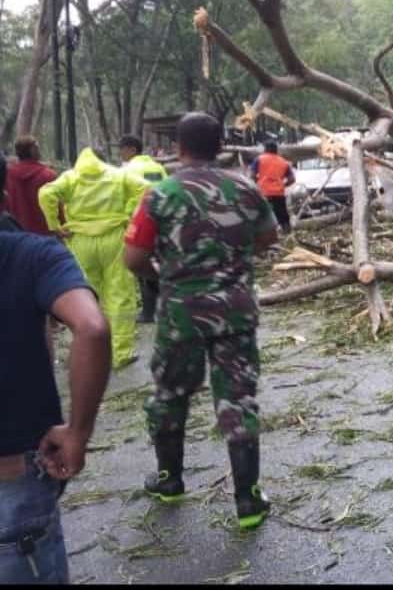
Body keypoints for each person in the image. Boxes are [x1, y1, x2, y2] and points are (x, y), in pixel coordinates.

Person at [123, 112, 278, 530]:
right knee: (238, 400)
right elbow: (268, 237)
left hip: (180, 316)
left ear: (179, 147)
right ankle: (248, 499)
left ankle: (169, 480)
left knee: (170, 394)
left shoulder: (159, 196)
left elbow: (133, 259)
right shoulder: (245, 189)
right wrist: (232, 264)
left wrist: (171, 276)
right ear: (222, 145)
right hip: (235, 313)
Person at [0, 185, 112, 584]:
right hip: (14, 476)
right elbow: (92, 327)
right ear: (4, 193)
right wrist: (78, 433)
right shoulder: (34, 254)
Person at [38, 148, 149, 369]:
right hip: (114, 238)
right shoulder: (118, 174)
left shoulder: (71, 177)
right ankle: (121, 353)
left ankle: (90, 352)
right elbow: (145, 187)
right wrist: (128, 214)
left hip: (81, 241)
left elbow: (45, 193)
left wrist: (55, 225)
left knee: (86, 296)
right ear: (102, 160)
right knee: (120, 294)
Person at [118, 134, 166, 323]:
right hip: (162, 218)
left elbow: (122, 195)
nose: (120, 153)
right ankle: (163, 306)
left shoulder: (128, 170)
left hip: (138, 221)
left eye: (122, 149)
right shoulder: (157, 167)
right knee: (160, 261)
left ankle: (148, 311)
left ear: (132, 149)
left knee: (142, 266)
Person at [4, 137, 57, 235]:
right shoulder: (48, 175)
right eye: (37, 147)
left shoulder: (7, 175)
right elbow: (56, 205)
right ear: (33, 151)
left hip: (15, 233)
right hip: (43, 235)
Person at [249, 140, 295, 234]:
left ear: (265, 149)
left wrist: (258, 183)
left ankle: (265, 237)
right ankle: (288, 236)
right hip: (278, 193)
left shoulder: (259, 159)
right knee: (283, 216)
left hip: (263, 193)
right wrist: (283, 185)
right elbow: (292, 179)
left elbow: (252, 176)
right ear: (276, 150)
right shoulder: (284, 162)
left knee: (263, 216)